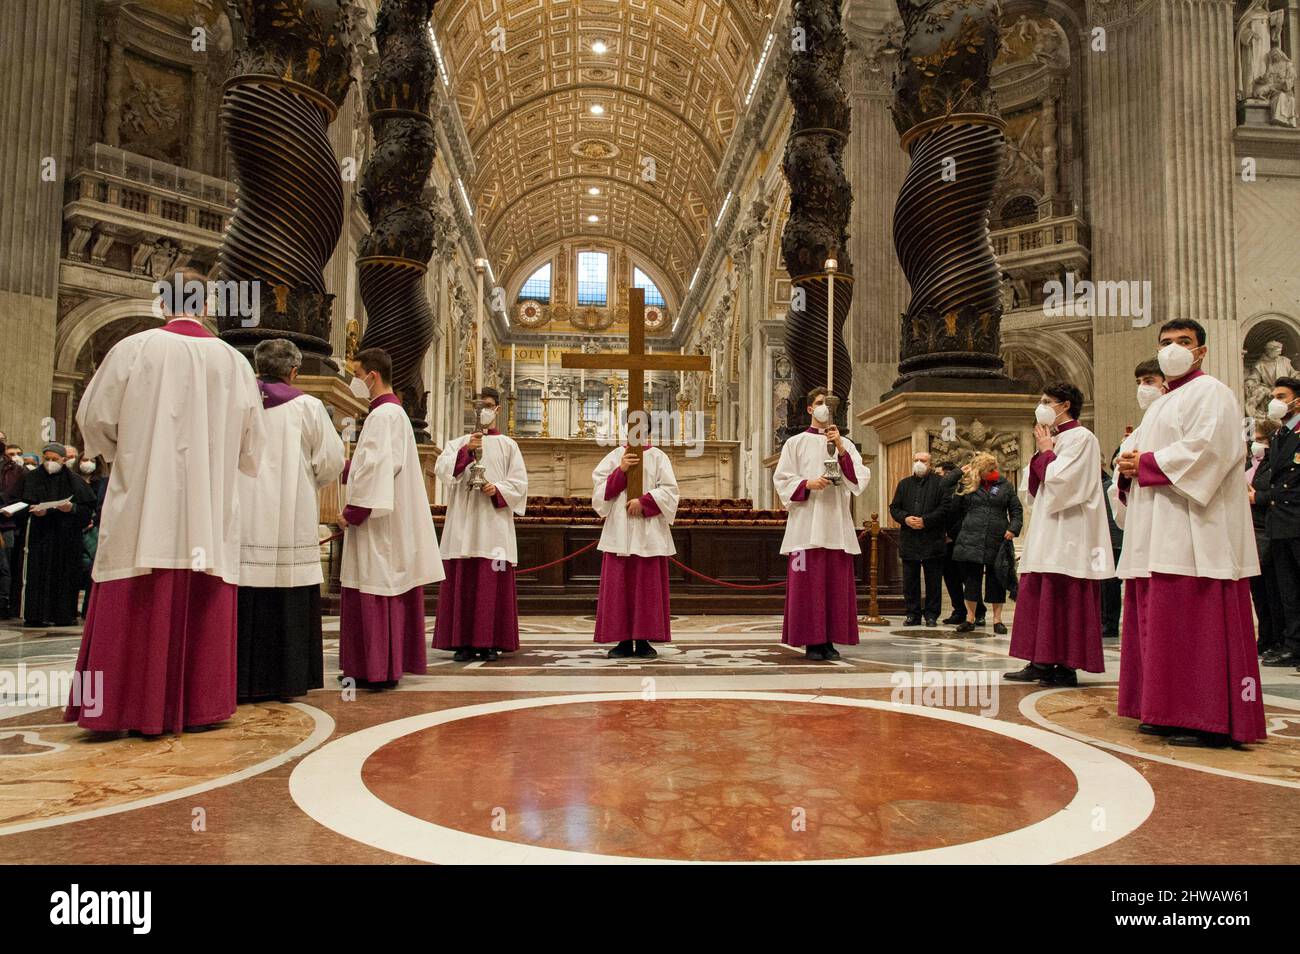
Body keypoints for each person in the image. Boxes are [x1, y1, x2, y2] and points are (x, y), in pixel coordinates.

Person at [65, 267, 265, 735]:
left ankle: (119, 707)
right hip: (207, 510)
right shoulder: (233, 362)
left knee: (132, 580)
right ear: (209, 305)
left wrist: (125, 454)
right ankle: (199, 705)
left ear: (161, 301)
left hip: (142, 504)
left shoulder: (133, 349)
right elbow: (251, 443)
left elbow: (94, 420)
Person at [1115, 318, 1266, 747]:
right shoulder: (1161, 402)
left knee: (1193, 624)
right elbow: (1132, 454)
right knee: (1160, 624)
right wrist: (1126, 468)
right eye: (1165, 342)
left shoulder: (1212, 392)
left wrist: (1144, 463)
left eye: (1184, 342)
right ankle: (1164, 709)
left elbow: (1212, 450)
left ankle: (1206, 717)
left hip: (1197, 528)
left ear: (1201, 351)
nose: (1173, 349)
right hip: (1157, 527)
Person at [236, 339, 344, 702]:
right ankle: (287, 680)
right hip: (290, 513)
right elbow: (330, 461)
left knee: (244, 591)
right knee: (288, 589)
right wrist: (309, 480)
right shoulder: (308, 407)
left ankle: (241, 679)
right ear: (294, 371)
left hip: (241, 516)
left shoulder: (238, 402)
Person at [337, 347, 443, 688]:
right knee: (383, 583)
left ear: (372, 375)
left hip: (377, 521)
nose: (354, 381)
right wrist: (345, 471)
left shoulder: (383, 416)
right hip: (388, 516)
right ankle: (379, 665)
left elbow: (377, 467)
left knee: (374, 583)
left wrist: (353, 512)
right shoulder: (391, 415)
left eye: (356, 375)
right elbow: (375, 462)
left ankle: (375, 668)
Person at [1006, 382, 1113, 686]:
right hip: (1046, 527)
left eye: (1046, 401)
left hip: (1070, 530)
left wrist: (1046, 453)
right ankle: (1040, 660)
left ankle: (1066, 664)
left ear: (1065, 405)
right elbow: (1032, 488)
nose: (1040, 406)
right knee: (1040, 590)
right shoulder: (1052, 440)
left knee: (1065, 592)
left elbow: (1067, 484)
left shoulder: (1083, 438)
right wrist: (1044, 452)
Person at [773, 388, 870, 660]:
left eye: (827, 404)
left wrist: (840, 447)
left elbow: (858, 481)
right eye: (818, 403)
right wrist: (807, 483)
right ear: (809, 409)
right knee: (808, 586)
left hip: (835, 524)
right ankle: (811, 641)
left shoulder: (845, 444)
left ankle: (829, 638)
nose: (823, 408)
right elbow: (782, 480)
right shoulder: (795, 443)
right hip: (806, 524)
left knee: (834, 586)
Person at [433, 387, 528, 662]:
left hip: (493, 524)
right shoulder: (459, 442)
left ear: (497, 409)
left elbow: (520, 484)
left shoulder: (509, 445)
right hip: (463, 523)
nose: (483, 411)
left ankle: (489, 642)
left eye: (488, 406)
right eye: (479, 406)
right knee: (464, 581)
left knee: (489, 585)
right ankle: (461, 642)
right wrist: (465, 451)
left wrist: (497, 489)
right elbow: (442, 470)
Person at [591, 411, 679, 658]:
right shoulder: (614, 456)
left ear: (649, 430)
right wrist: (621, 470)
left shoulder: (658, 457)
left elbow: (671, 492)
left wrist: (645, 501)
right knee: (620, 588)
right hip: (619, 531)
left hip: (648, 533)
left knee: (646, 588)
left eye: (641, 427)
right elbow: (599, 494)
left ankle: (643, 640)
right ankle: (622, 640)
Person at [947, 452, 1022, 634]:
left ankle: (997, 620)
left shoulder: (1004, 485)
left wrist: (1013, 529)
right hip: (971, 538)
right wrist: (958, 533)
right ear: (981, 471)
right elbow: (953, 511)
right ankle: (970, 619)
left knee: (996, 580)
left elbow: (1016, 510)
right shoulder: (968, 485)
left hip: (998, 538)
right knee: (972, 580)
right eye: (991, 469)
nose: (995, 472)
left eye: (996, 468)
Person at [21, 442, 94, 627]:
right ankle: (36, 615)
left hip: (66, 538)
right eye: (47, 459)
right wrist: (35, 510)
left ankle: (63, 615)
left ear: (63, 460)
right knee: (38, 576)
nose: (50, 462)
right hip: (41, 536)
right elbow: (23, 502)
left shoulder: (75, 481)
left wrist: (72, 508)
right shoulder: (33, 478)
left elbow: (87, 509)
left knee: (65, 575)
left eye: (54, 459)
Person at [1254, 376, 1300, 668]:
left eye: (1281, 396)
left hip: (1296, 518)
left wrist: (1261, 497)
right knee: (1288, 592)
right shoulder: (1281, 435)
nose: (1275, 401)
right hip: (1280, 522)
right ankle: (1292, 644)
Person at [889, 450, 947, 626]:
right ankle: (912, 614)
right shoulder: (904, 484)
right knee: (910, 580)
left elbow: (945, 508)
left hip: (933, 538)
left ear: (930, 464)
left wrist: (925, 521)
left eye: (923, 460)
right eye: (916, 460)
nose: (919, 463)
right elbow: (894, 508)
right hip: (910, 538)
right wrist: (906, 518)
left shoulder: (940, 483)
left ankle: (931, 615)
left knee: (933, 581)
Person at [1248, 417, 1282, 657]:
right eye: (1254, 440)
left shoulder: (1274, 462)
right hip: (1252, 531)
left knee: (1273, 591)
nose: (1256, 444)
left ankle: (1278, 638)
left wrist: (1256, 496)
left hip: (1267, 530)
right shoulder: (1252, 464)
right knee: (1258, 592)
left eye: (1260, 440)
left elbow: (1277, 491)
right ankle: (1266, 636)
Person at [935, 459, 984, 625]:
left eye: (939, 474)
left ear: (949, 474)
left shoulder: (964, 489)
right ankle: (959, 610)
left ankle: (979, 611)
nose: (938, 479)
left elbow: (965, 515)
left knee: (967, 578)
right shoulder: (940, 491)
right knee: (950, 578)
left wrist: (952, 534)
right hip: (944, 541)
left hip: (961, 540)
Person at [0, 442, 26, 619]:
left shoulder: (16, 471)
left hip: (7, 523)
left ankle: (4, 603)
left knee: (5, 566)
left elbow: (20, 496)